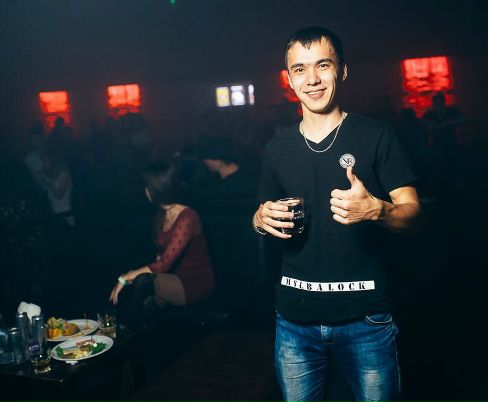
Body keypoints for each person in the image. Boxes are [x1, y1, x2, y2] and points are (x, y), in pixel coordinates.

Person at [252, 27, 420, 402]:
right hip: (294, 321)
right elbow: (260, 213)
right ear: (289, 79)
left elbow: (414, 215)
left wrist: (377, 209)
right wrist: (260, 220)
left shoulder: (376, 135)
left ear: (342, 71)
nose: (311, 79)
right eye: (300, 69)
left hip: (366, 319)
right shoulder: (276, 148)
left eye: (322, 65)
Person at [109, 162, 215, 326]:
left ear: (155, 190)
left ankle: (124, 329)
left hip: (195, 282)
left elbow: (164, 263)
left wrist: (126, 277)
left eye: (147, 186)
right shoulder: (163, 214)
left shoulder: (188, 217)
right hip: (173, 278)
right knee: (145, 303)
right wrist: (132, 276)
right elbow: (161, 256)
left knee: (143, 281)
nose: (144, 190)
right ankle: (122, 328)